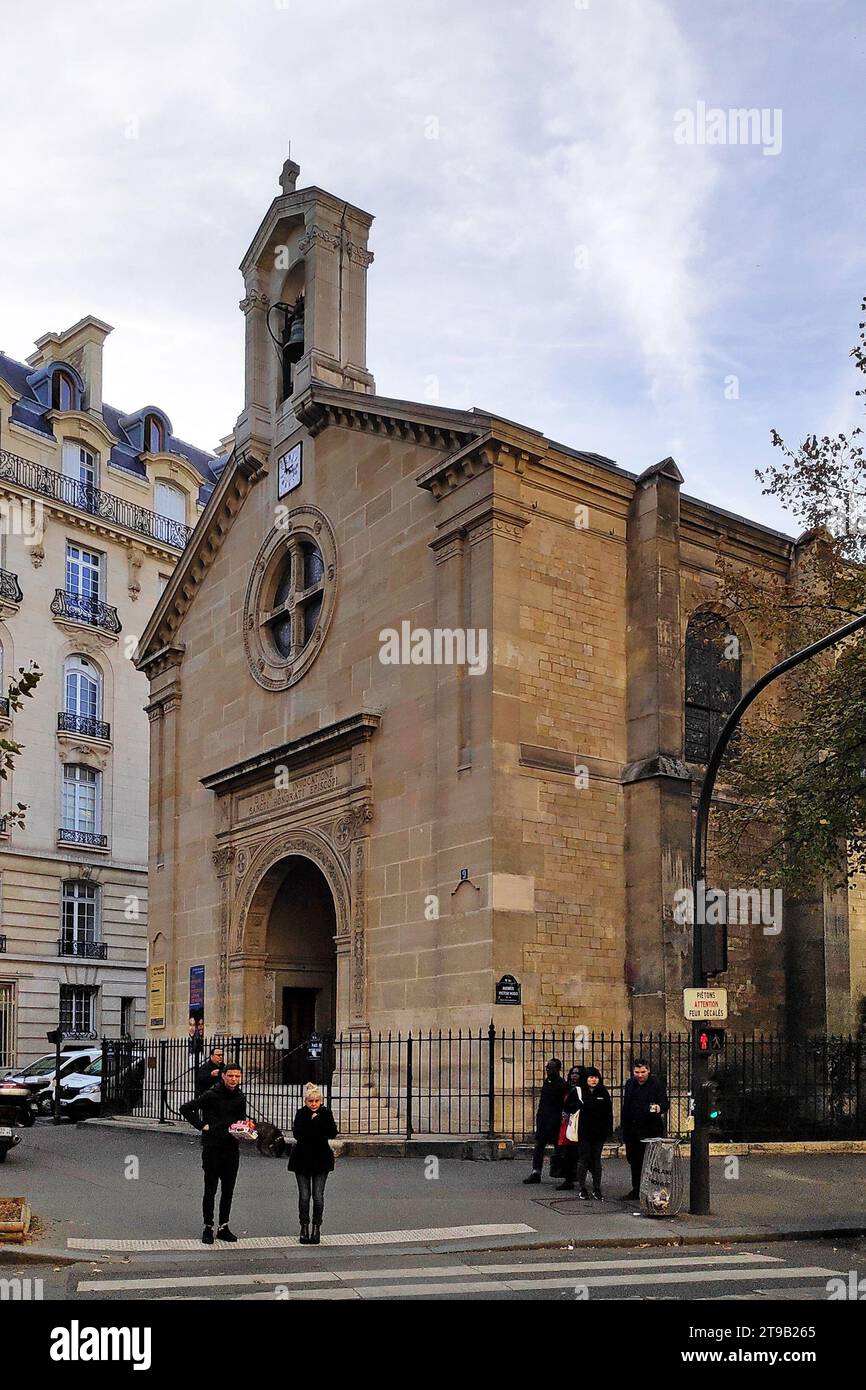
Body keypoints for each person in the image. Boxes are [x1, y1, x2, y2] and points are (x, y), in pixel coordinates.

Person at [180, 1063, 248, 1244]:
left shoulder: (240, 1097)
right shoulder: (212, 1095)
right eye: (231, 1075)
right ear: (223, 1076)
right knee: (210, 1190)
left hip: (231, 1148)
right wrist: (202, 1125)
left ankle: (223, 1226)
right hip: (213, 1147)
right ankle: (208, 1226)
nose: (234, 1079)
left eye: (237, 1076)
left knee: (228, 1190)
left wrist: (245, 1130)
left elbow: (240, 1120)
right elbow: (186, 1108)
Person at [289, 1082, 338, 1244]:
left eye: (317, 1101)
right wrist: (313, 1125)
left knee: (318, 1196)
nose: (314, 1104)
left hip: (321, 1158)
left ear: (321, 1101)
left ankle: (317, 1226)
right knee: (304, 1196)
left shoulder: (326, 1114)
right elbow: (298, 1134)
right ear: (306, 1101)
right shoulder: (301, 1114)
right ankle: (304, 1226)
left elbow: (332, 1132)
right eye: (311, 1101)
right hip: (302, 1158)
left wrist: (316, 1123)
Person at [620, 1057, 669, 1199]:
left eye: (643, 1072)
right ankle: (636, 1189)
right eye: (636, 1072)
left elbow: (665, 1103)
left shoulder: (656, 1084)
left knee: (650, 1161)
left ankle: (650, 1190)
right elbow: (626, 1107)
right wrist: (625, 1128)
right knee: (634, 1161)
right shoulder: (630, 1084)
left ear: (648, 1070)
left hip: (650, 1129)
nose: (640, 1075)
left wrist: (658, 1108)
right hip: (633, 1130)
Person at [523, 1058, 567, 1184]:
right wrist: (539, 1117)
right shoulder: (547, 1082)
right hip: (544, 1120)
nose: (548, 1070)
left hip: (555, 1121)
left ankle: (562, 1172)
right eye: (547, 1067)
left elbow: (562, 1104)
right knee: (539, 1146)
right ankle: (536, 1171)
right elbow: (543, 1102)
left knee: (559, 1149)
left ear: (558, 1069)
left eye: (551, 1068)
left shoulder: (561, 1084)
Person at [572, 1066, 613, 1200]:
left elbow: (608, 1113)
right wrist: (577, 1105)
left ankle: (596, 1187)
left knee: (596, 1160)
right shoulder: (579, 1091)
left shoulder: (603, 1092)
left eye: (596, 1077)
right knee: (583, 1159)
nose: (593, 1080)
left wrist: (608, 1130)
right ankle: (582, 1187)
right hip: (584, 1131)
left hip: (599, 1132)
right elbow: (568, 1107)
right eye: (590, 1077)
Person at [554, 1065, 584, 1191]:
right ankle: (569, 1178)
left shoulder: (581, 1089)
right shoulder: (567, 1087)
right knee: (567, 1151)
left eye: (577, 1073)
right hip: (566, 1123)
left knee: (577, 1152)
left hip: (577, 1122)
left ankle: (574, 1177)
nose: (574, 1075)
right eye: (572, 1073)